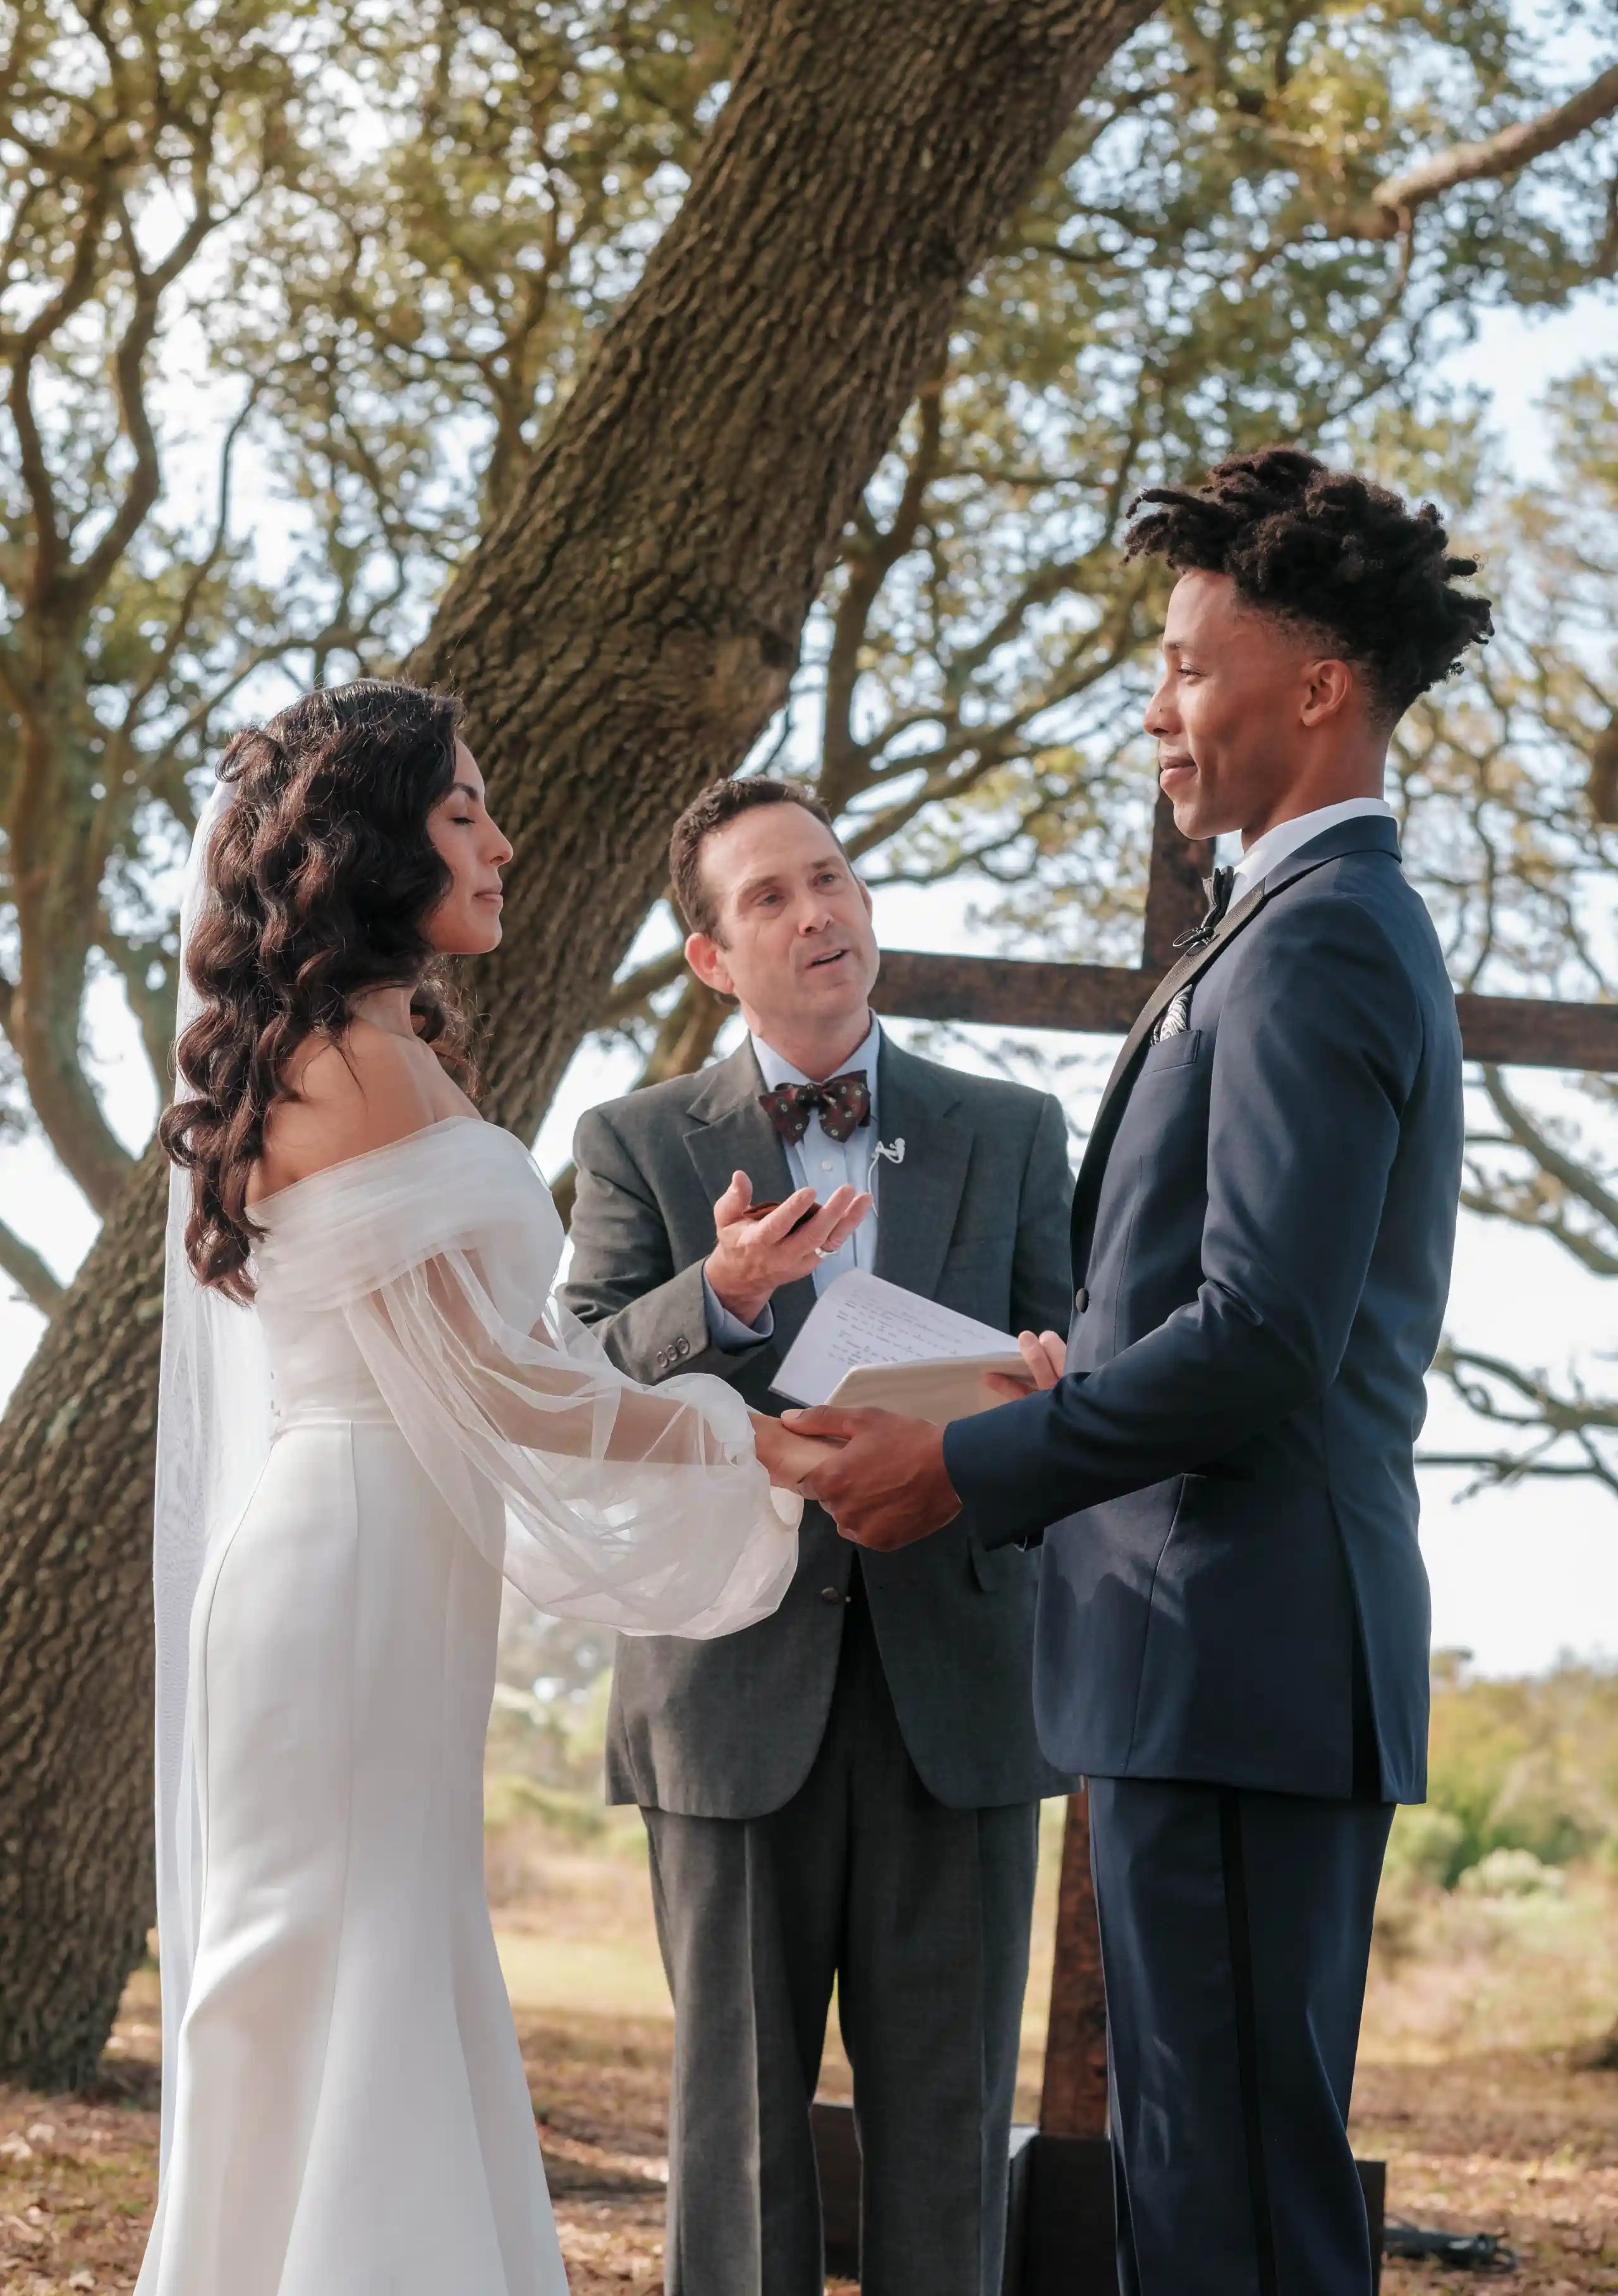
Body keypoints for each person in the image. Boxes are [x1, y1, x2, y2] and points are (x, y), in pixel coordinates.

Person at [785, 449, 1494, 2296]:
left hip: (1242, 1658)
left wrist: (968, 1471)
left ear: (1320, 685)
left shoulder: (1320, 939)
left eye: (1189, 662)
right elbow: (1223, 1307)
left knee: (1236, 2220)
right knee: (1197, 2202)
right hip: (1204, 1662)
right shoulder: (1277, 926)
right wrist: (1057, 1372)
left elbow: (1268, 1338)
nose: (1159, 706)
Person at [140, 683, 820, 2296]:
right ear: (374, 846)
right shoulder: (352, 1068)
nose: (501, 841)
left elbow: (507, 1358)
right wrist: (745, 1441)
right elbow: (511, 1388)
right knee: (345, 1954)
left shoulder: (380, 1049)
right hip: (354, 1555)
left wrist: (705, 1325)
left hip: (393, 1550)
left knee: (381, 1943)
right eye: (462, 813)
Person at [560, 775, 1076, 2296]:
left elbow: (1077, 1361)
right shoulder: (633, 1139)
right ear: (714, 958)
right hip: (725, 1693)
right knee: (737, 2144)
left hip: (962, 1694)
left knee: (949, 2131)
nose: (818, 912)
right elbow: (577, 1373)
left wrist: (1047, 1389)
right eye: (771, 898)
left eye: (832, 878)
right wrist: (714, 1295)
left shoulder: (1014, 1127)